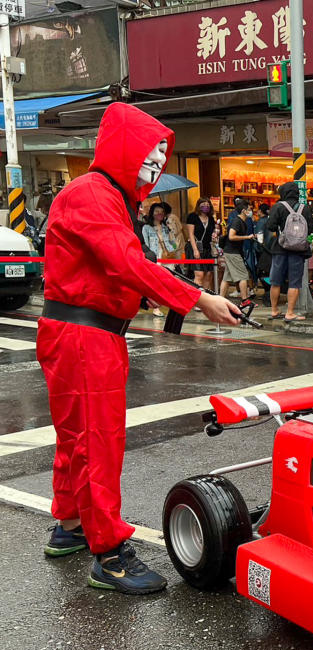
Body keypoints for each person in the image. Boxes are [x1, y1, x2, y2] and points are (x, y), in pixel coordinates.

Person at [38, 102, 240, 594]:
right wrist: (198, 298)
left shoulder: (99, 195)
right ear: (123, 152)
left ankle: (70, 525)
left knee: (78, 439)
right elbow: (128, 265)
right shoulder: (94, 196)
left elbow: (124, 267)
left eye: (158, 159)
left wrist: (180, 296)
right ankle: (108, 554)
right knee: (99, 442)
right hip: (87, 337)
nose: (153, 169)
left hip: (80, 333)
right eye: (147, 157)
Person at [265, 181, 313, 322]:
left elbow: (270, 226)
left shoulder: (277, 207)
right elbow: (311, 228)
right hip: (298, 250)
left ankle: (274, 311)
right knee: (295, 282)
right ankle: (290, 313)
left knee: (275, 281)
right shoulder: (304, 208)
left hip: (280, 248)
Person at [141, 202, 178, 317]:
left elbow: (173, 244)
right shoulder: (146, 228)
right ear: (152, 213)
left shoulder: (166, 227)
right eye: (157, 211)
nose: (159, 214)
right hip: (155, 256)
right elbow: (145, 244)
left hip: (167, 257)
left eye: (161, 212)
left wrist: (172, 234)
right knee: (156, 282)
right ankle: (156, 307)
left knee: (168, 281)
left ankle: (168, 303)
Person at [222, 199, 255, 305]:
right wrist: (247, 237)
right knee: (243, 275)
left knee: (227, 277)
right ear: (244, 211)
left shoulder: (241, 221)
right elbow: (231, 236)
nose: (251, 211)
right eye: (249, 209)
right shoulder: (237, 221)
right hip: (233, 252)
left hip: (231, 251)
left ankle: (220, 299)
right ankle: (245, 300)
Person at [186, 197, 216, 294]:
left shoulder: (211, 219)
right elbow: (190, 234)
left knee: (208, 274)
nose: (205, 207)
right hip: (195, 247)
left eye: (207, 205)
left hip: (207, 248)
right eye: (203, 205)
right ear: (198, 206)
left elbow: (212, 233)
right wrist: (195, 250)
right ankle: (196, 299)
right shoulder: (192, 216)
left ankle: (205, 298)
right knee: (199, 274)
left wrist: (215, 235)